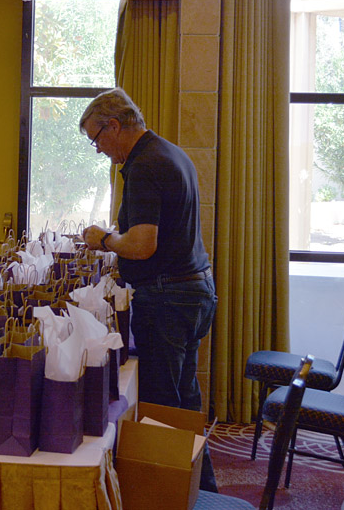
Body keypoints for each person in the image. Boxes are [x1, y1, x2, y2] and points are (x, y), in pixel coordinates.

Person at [78, 87, 219, 492]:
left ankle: (173, 493)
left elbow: (142, 244)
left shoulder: (143, 165)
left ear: (114, 126)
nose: (100, 150)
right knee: (183, 401)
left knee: (162, 405)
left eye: (97, 139)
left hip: (169, 298)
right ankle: (200, 489)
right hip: (193, 291)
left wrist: (105, 240)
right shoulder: (170, 152)